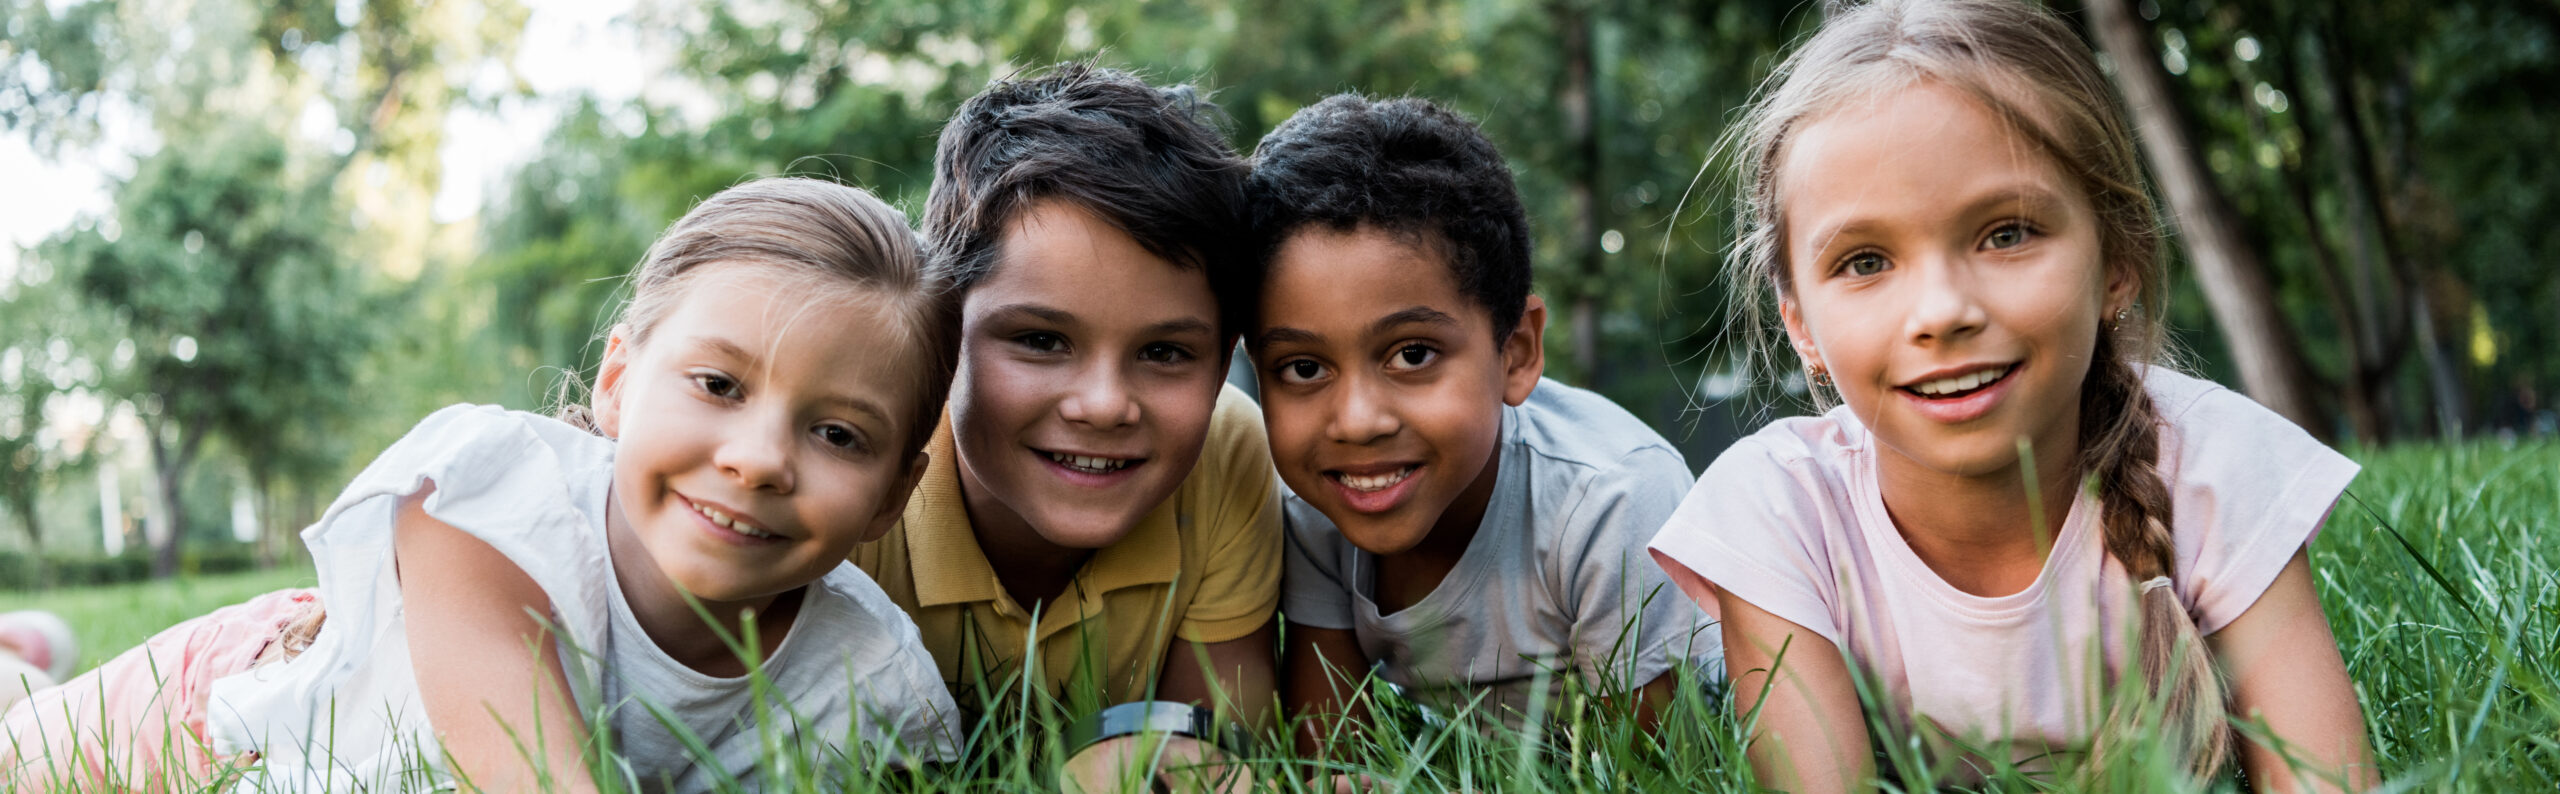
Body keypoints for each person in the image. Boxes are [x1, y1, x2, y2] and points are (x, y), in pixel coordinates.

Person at [1, 177, 964, 792]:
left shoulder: (873, 686)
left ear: (893, 491)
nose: (759, 458)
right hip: (234, 711)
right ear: (619, 382)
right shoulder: (491, 501)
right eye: (718, 385)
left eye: (838, 433)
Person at [1644, 1, 2376, 791]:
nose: (1943, 312)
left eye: (2008, 233)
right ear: (1802, 328)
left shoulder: (2215, 464)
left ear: (2117, 262)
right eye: (1864, 262)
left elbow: (2325, 778)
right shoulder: (1776, 512)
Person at [842, 62, 1281, 776]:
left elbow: (1207, 761)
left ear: (1224, 356)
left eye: (1165, 352)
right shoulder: (848, 461)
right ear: (941, 328)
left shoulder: (1227, 447)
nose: (1104, 404)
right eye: (1041, 341)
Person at [1246, 94, 1713, 755]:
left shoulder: (1611, 501)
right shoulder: (1315, 506)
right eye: (1301, 368)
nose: (1355, 422)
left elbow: (1664, 766)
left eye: (1412, 355)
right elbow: (1330, 754)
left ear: (1515, 352)